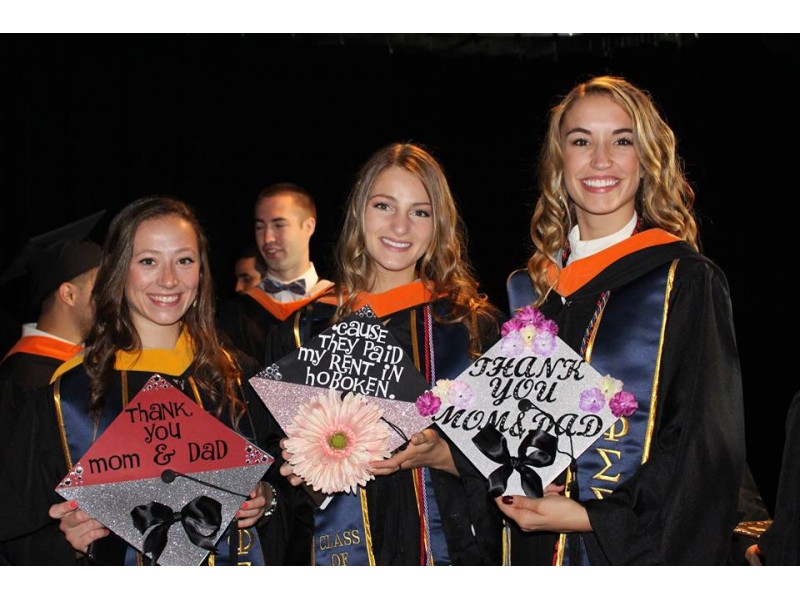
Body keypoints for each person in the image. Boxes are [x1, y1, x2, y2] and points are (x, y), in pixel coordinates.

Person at [493, 76, 745, 565]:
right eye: (581, 140)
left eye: (622, 140)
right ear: (558, 161)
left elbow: (703, 448)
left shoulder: (684, 281)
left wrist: (592, 516)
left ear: (646, 159)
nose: (601, 160)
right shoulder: (531, 291)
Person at [0, 196, 290, 566]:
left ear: (201, 272)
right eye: (148, 261)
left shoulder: (237, 377)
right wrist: (66, 544)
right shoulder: (70, 395)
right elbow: (18, 529)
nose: (169, 280)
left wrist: (267, 501)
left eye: (184, 260)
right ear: (120, 271)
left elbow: (289, 495)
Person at [276, 142, 504, 565]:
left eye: (420, 212)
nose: (401, 227)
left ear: (439, 225)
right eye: (384, 206)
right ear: (360, 211)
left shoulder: (472, 326)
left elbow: (515, 463)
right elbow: (281, 480)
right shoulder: (306, 328)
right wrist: (296, 474)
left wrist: (448, 456)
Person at [218, 183, 333, 367]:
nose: (267, 238)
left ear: (308, 227)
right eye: (260, 227)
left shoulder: (342, 306)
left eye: (279, 225)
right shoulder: (236, 315)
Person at [0, 212, 103, 393]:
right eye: (101, 288)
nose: (112, 298)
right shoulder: (25, 379)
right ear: (68, 294)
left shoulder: (88, 360)